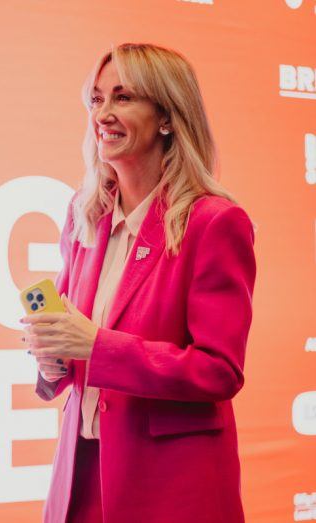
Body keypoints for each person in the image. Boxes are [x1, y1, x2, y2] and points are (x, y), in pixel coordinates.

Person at [20, 42, 257, 523]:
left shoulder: (214, 222)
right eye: (96, 99)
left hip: (169, 490)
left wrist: (100, 347)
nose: (103, 114)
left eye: (123, 97)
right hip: (81, 479)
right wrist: (52, 362)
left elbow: (220, 371)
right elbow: (74, 354)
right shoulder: (84, 215)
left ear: (167, 116)